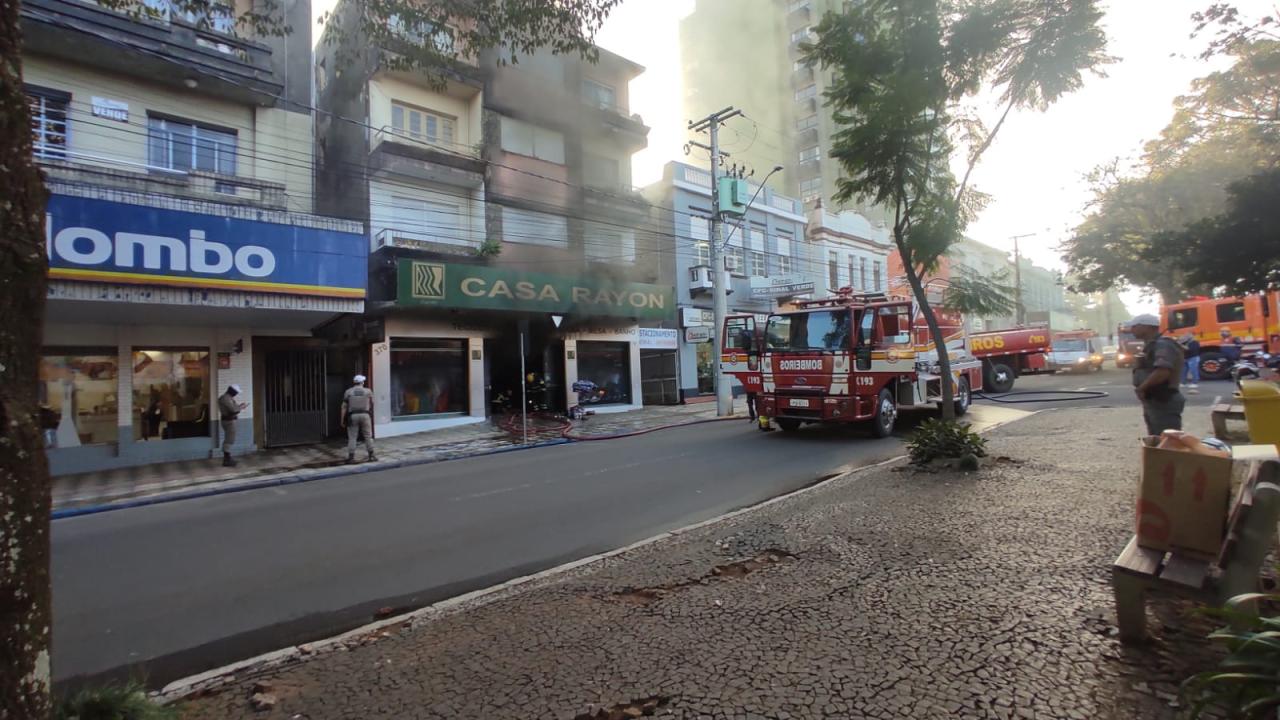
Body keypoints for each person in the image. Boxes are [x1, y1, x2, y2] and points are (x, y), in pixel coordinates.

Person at [1127, 314, 1185, 436]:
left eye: (1135, 326)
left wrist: (1141, 388)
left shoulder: (1163, 344)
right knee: (1157, 438)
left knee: (1168, 441)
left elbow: (1162, 371)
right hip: (1154, 398)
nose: (1131, 330)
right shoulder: (1151, 345)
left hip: (1164, 398)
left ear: (1147, 327)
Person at [341, 374, 376, 463]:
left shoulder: (348, 392)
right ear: (362, 382)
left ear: (354, 382)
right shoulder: (368, 391)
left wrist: (342, 420)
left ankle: (351, 458)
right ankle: (371, 455)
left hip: (353, 416)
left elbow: (344, 406)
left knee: (352, 437)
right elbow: (373, 403)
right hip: (365, 415)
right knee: (368, 436)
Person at [217, 384, 247, 467]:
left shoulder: (227, 398)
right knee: (229, 439)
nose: (236, 394)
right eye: (236, 392)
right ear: (233, 391)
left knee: (230, 439)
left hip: (229, 420)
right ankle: (227, 459)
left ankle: (228, 458)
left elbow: (233, 408)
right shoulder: (225, 398)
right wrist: (241, 407)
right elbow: (233, 409)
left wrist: (239, 407)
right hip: (229, 420)